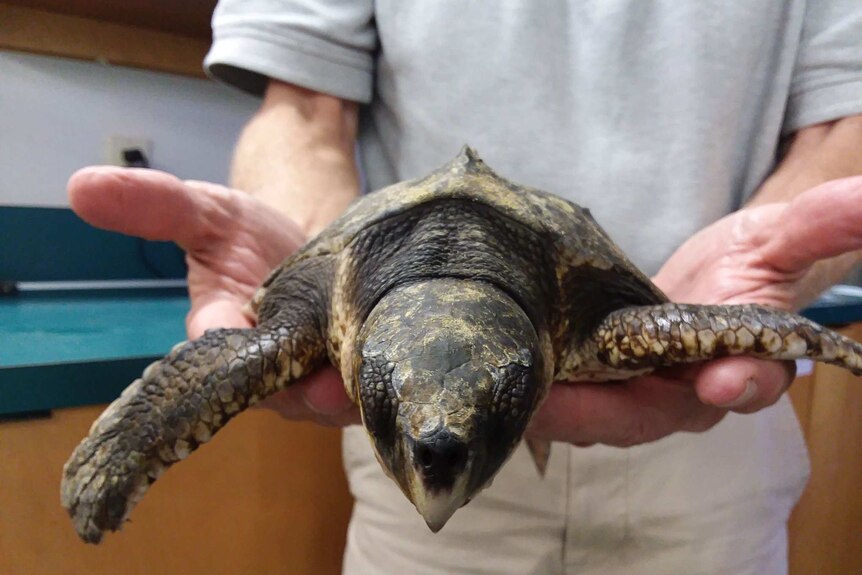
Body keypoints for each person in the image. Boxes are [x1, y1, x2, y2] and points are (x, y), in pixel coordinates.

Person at [68, 2, 862, 573]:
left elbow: (844, 120)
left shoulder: (605, 321)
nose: (438, 454)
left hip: (707, 439)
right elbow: (305, 108)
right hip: (413, 508)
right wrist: (289, 235)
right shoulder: (333, 293)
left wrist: (778, 271)